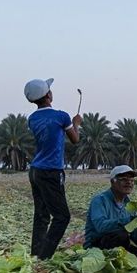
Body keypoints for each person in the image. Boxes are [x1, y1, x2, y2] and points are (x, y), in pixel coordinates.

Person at [25, 78, 82, 260]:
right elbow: (75, 139)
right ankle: (44, 257)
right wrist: (76, 123)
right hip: (51, 171)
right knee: (62, 217)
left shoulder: (32, 118)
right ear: (49, 95)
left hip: (35, 170)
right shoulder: (62, 116)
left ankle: (36, 255)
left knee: (41, 215)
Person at [84, 165, 137, 264]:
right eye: (124, 179)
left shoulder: (129, 204)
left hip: (121, 246)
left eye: (131, 180)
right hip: (96, 246)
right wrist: (129, 220)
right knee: (121, 235)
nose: (129, 182)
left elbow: (131, 233)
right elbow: (101, 227)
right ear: (113, 181)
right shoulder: (100, 200)